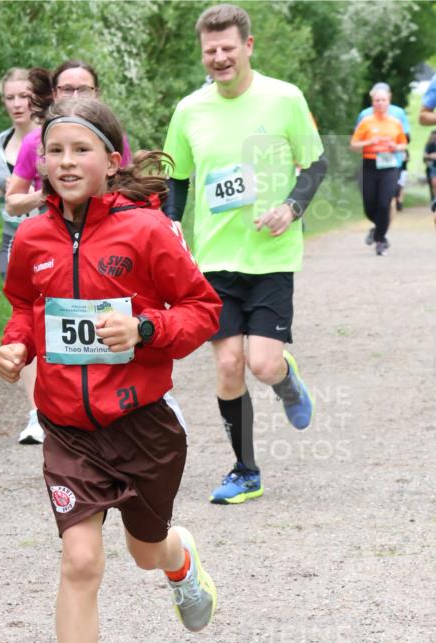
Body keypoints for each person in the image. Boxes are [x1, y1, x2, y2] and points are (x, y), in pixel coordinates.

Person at [0, 97, 221, 643]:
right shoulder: (32, 237)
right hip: (69, 430)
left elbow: (202, 309)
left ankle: (178, 558)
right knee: (80, 560)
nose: (66, 162)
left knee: (145, 551)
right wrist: (16, 345)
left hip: (142, 425)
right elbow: (25, 306)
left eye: (80, 150)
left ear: (111, 160)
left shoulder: (145, 231)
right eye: (54, 151)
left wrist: (145, 329)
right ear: (41, 162)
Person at [162, 4, 327, 505]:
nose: (219, 58)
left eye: (227, 48)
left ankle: (286, 379)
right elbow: (177, 176)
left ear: (248, 46)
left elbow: (316, 165)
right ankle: (245, 471)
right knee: (229, 364)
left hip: (271, 257)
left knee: (263, 364)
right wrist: (171, 219)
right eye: (210, 50)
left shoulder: (284, 98)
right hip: (215, 261)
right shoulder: (190, 109)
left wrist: (291, 208)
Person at [0, 67, 47, 445]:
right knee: (25, 319)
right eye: (10, 97)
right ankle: (37, 414)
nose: (18, 104)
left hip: (50, 236)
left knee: (54, 317)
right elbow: (7, 187)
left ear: (37, 98)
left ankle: (65, 402)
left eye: (24, 96)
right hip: (13, 238)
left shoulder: (51, 136)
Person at [4, 60, 132, 218]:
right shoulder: (34, 141)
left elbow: (129, 191)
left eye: (84, 90)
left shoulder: (112, 138)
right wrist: (49, 192)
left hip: (106, 225)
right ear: (55, 94)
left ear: (96, 94)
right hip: (52, 227)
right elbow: (11, 205)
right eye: (67, 89)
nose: (75, 97)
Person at [350, 84, 407, 256]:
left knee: (384, 203)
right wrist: (369, 142)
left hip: (389, 166)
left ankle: (380, 240)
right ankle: (379, 228)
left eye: (383, 100)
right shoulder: (366, 122)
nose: (380, 103)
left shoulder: (395, 123)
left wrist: (395, 146)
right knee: (369, 205)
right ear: (372, 102)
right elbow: (353, 145)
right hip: (369, 165)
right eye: (377, 100)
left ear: (389, 101)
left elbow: (403, 144)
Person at [424, 129, 436, 216]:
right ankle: (434, 199)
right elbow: (425, 156)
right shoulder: (429, 145)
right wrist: (431, 156)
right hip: (433, 167)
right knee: (434, 184)